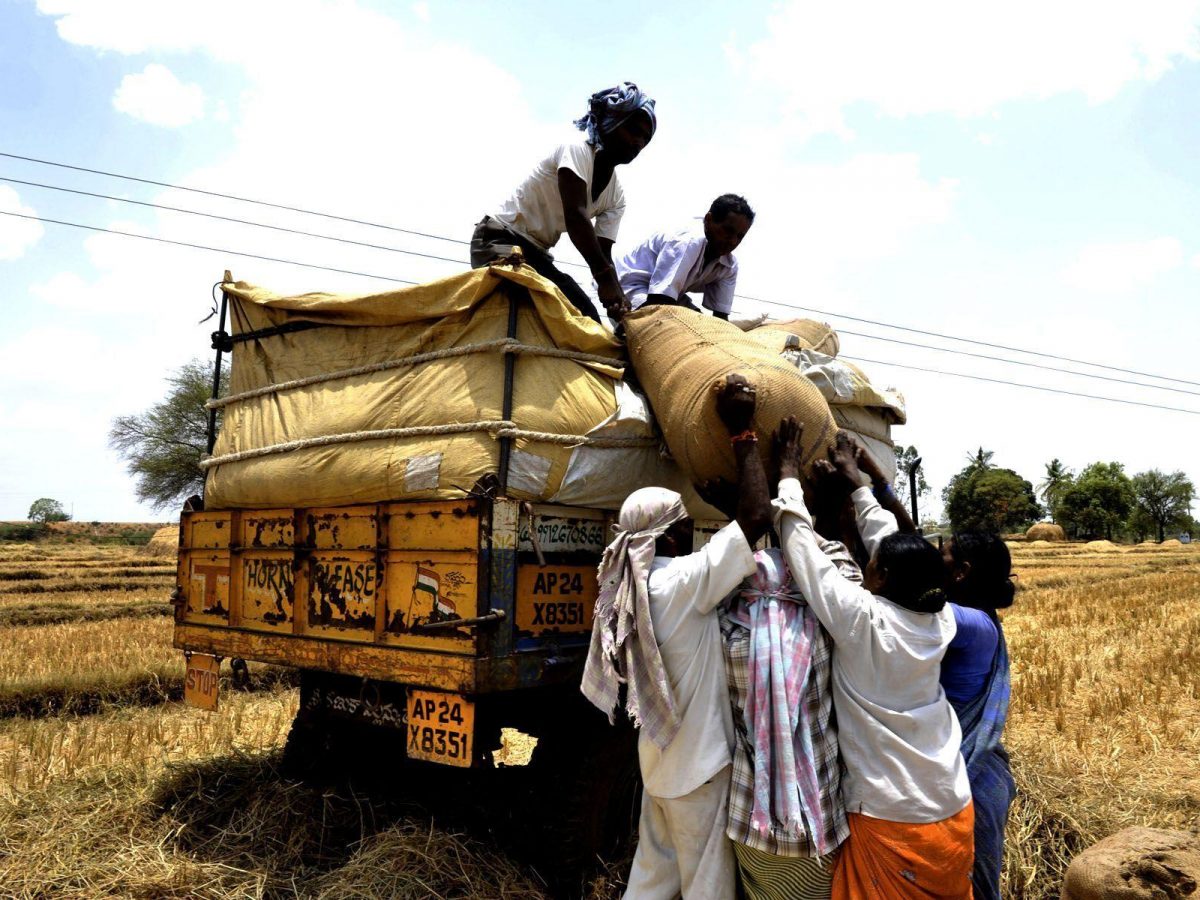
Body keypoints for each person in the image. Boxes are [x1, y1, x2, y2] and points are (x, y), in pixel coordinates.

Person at [582, 373, 772, 900]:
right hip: (700, 770)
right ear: (670, 535)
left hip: (659, 765)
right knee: (706, 887)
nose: (693, 528)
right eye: (685, 522)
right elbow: (758, 516)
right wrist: (742, 431)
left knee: (651, 878)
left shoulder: (626, 587)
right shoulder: (682, 582)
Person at [773, 418, 975, 900]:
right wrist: (859, 485)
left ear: (880, 578)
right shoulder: (939, 620)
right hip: (953, 808)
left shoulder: (863, 619)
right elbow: (888, 539)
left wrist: (785, 471)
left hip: (891, 818)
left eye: (874, 564)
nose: (868, 563)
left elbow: (802, 551)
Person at [717, 502, 851, 898]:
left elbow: (712, 585)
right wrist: (795, 526)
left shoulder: (727, 636)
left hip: (749, 820)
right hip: (818, 822)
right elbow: (843, 571)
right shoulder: (823, 636)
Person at [470, 82, 656, 322]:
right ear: (609, 122)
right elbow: (576, 217)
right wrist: (604, 277)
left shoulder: (616, 196)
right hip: (497, 240)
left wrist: (616, 295)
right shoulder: (576, 151)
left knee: (585, 315)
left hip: (536, 255)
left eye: (645, 137)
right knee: (537, 307)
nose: (638, 142)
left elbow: (602, 252)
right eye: (633, 130)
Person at [941, 531, 1017, 900]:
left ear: (961, 571)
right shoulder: (981, 616)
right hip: (983, 774)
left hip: (971, 782)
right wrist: (883, 488)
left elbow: (891, 602)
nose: (932, 562)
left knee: (975, 889)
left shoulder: (962, 622)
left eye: (943, 556)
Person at [615, 194, 755, 320]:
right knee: (666, 325)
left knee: (705, 326)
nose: (733, 241)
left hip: (669, 297)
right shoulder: (686, 241)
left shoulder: (729, 265)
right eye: (728, 231)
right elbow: (659, 300)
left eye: (740, 236)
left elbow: (720, 318)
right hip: (629, 286)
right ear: (708, 220)